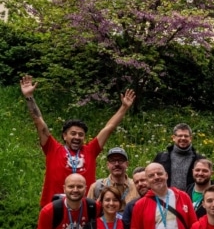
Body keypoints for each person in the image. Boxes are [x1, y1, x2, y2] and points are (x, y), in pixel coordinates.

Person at [21, 75, 136, 207]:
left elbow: (109, 128)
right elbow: (39, 123)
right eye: (73, 134)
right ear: (64, 136)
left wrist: (124, 107)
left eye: (81, 135)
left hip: (84, 207)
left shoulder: (90, 150)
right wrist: (29, 97)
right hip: (55, 206)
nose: (77, 137)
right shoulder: (52, 148)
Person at [153, 123, 205, 190]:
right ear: (173, 138)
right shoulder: (161, 157)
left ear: (190, 138)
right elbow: (151, 176)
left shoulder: (199, 159)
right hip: (165, 195)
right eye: (180, 136)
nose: (183, 138)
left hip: (190, 196)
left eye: (186, 136)